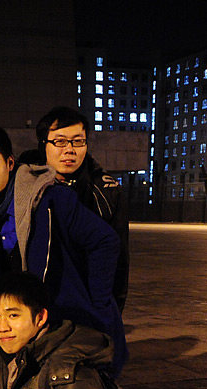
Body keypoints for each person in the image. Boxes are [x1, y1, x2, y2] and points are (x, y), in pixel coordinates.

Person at [0, 123, 127, 376]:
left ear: (9, 163)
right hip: (12, 331)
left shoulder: (50, 199)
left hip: (59, 327)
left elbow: (105, 241)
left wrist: (97, 302)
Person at [19, 107, 129, 311]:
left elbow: (119, 261)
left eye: (78, 141)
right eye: (59, 141)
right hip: (34, 302)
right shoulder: (23, 185)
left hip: (85, 303)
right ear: (44, 144)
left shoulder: (106, 191)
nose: (69, 149)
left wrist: (111, 310)